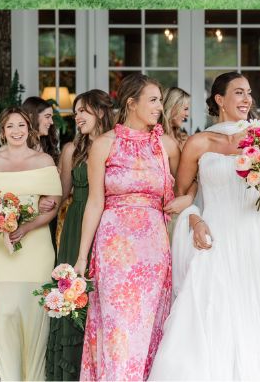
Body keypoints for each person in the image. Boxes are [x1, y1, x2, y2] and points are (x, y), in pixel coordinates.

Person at [149, 73, 260, 380]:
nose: (247, 100)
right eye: (239, 93)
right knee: (212, 309)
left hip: (254, 236)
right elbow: (183, 193)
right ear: (220, 99)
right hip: (215, 235)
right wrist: (195, 218)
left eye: (249, 94)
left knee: (254, 314)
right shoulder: (199, 142)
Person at [74, 75, 179, 380]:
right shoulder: (104, 144)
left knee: (148, 327)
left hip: (153, 251)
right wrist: (82, 256)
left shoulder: (167, 146)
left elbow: (189, 186)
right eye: (154, 100)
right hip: (114, 249)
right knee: (118, 329)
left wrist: (185, 200)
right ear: (132, 104)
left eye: (160, 100)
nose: (160, 106)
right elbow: (94, 202)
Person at [0, 108, 61, 382]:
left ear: (29, 128)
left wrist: (27, 225)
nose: (16, 130)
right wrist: (2, 220)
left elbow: (53, 206)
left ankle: (35, 378)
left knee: (35, 317)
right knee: (8, 311)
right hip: (2, 249)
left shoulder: (44, 159)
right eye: (10, 126)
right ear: (2, 130)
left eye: (21, 125)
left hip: (36, 247)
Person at [46, 89, 113, 382]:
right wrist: (33, 219)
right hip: (76, 224)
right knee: (75, 291)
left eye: (83, 111)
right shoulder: (72, 150)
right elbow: (60, 195)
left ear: (100, 111)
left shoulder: (117, 144)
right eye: (75, 113)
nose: (77, 118)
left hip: (111, 223)